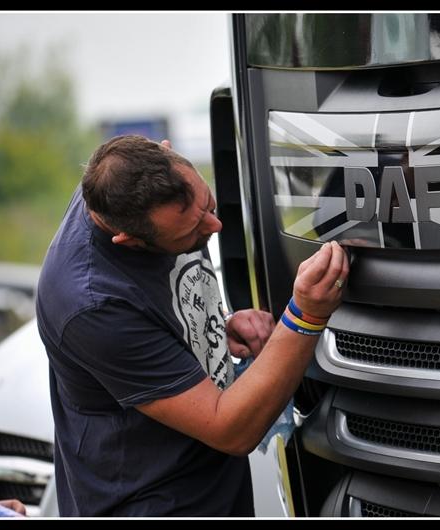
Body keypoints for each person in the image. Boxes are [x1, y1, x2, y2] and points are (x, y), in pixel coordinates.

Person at [35, 135, 349, 516]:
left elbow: (156, 309)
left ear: (167, 150)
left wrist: (213, 328)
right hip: (158, 503)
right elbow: (230, 429)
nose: (214, 226)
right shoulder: (92, 304)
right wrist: (305, 315)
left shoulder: (127, 180)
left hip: (212, 487)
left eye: (208, 205)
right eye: (191, 234)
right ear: (129, 240)